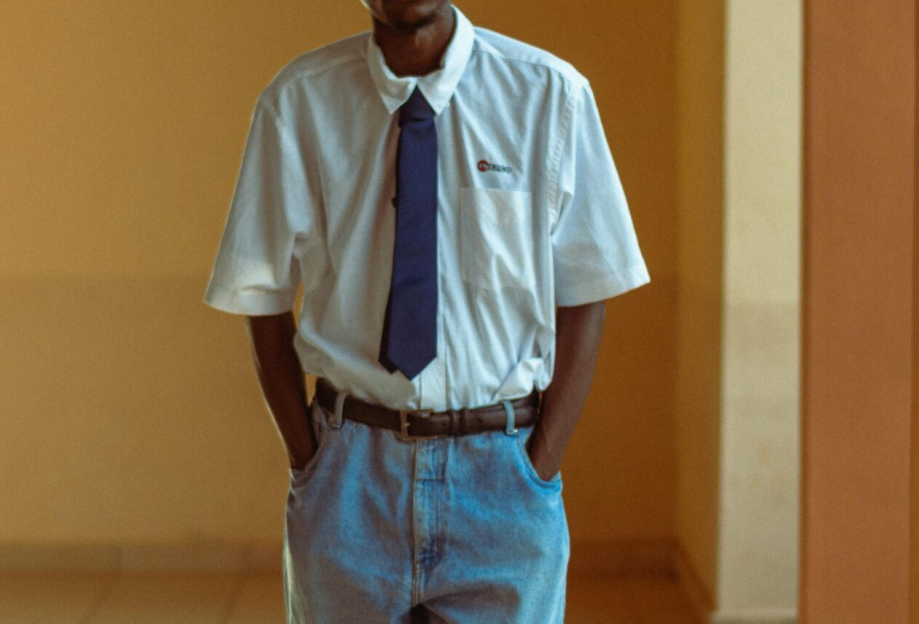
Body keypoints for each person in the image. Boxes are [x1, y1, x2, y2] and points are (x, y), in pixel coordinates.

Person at [204, 1, 649, 621]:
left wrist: (540, 461)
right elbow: (261, 295)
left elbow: (586, 290)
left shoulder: (550, 96)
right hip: (349, 479)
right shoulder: (299, 103)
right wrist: (308, 457)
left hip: (503, 478)